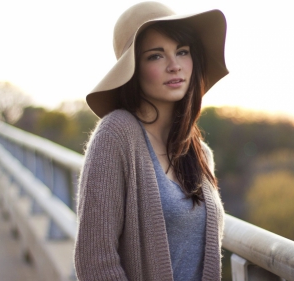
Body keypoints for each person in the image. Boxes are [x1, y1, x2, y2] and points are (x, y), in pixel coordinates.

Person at [74, 1, 228, 280]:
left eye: (182, 52)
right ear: (132, 68)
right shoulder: (115, 135)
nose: (175, 66)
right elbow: (95, 261)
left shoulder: (200, 153)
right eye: (156, 56)